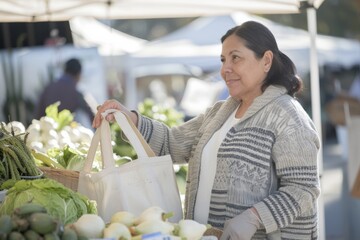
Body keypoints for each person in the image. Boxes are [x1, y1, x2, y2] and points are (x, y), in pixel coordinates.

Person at [93, 21, 320, 239]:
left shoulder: (288, 116)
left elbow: (304, 188)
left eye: (235, 58)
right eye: (223, 60)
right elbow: (171, 144)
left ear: (266, 60)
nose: (225, 69)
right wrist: (130, 118)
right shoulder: (219, 113)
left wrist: (255, 217)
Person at [35, 58, 94, 127]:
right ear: (79, 74)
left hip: (47, 131)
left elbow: (37, 112)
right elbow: (93, 114)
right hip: (65, 133)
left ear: (64, 71)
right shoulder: (76, 93)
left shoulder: (49, 88)